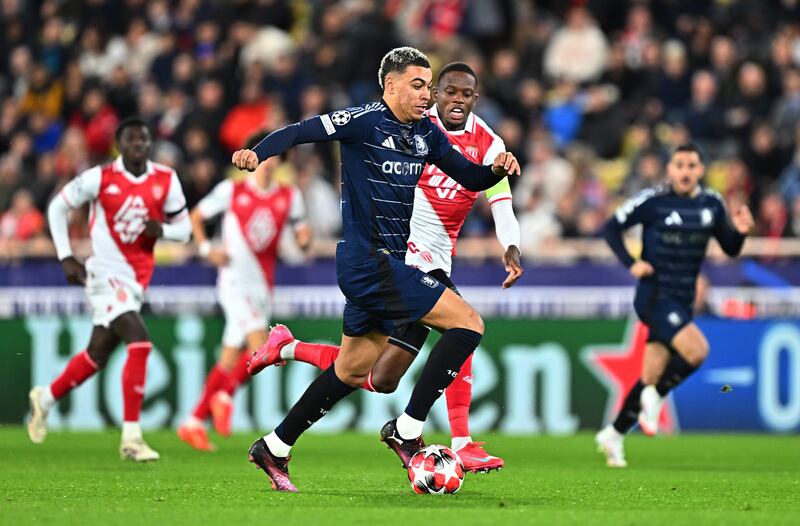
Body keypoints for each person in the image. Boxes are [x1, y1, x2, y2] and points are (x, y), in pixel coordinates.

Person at [231, 47, 519, 492]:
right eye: (419, 85)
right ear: (390, 85)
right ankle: (407, 431)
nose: (428, 96)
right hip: (369, 263)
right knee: (468, 323)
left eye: (429, 86)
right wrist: (258, 152)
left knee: (352, 370)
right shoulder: (363, 121)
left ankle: (275, 446)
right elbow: (299, 132)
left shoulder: (425, 134)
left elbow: (469, 177)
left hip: (386, 266)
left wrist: (497, 168)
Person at [28, 116, 191, 461]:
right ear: (119, 144)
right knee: (141, 340)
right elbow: (58, 207)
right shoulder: (100, 177)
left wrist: (161, 230)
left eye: (143, 140)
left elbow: (185, 229)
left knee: (97, 355)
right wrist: (65, 256)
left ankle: (44, 398)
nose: (138, 145)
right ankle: (131, 436)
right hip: (104, 273)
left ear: (149, 143)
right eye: (131, 140)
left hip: (136, 279)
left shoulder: (166, 179)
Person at [595, 143, 754, 467]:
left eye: (692, 165)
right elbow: (611, 228)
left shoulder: (712, 203)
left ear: (701, 170)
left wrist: (740, 232)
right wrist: (631, 263)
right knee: (697, 350)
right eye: (679, 165)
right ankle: (654, 398)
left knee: (650, 374)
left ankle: (614, 433)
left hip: (683, 298)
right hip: (654, 294)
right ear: (670, 170)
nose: (685, 171)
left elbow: (730, 247)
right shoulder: (652, 201)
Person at [177, 140, 311, 451]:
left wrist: (304, 241)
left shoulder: (290, 196)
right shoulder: (231, 190)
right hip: (234, 280)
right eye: (264, 157)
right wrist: (206, 249)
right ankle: (224, 396)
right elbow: (195, 217)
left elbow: (303, 232)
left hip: (262, 285)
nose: (269, 164)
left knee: (228, 357)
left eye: (275, 158)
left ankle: (193, 422)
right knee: (261, 346)